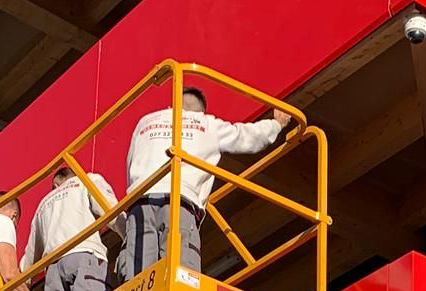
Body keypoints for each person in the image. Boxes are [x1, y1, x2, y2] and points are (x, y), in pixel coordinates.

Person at [118, 85, 295, 280]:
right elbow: (247, 137)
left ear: (174, 103)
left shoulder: (146, 121)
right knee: (180, 277)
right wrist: (276, 123)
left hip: (141, 202)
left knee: (138, 282)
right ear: (201, 111)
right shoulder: (207, 124)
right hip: (180, 202)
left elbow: (131, 164)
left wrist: (135, 198)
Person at [18, 164, 118, 291]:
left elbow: (30, 256)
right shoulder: (87, 180)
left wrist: (19, 286)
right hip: (85, 255)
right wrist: (131, 235)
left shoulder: (43, 205)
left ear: (56, 186)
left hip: (54, 269)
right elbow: (111, 210)